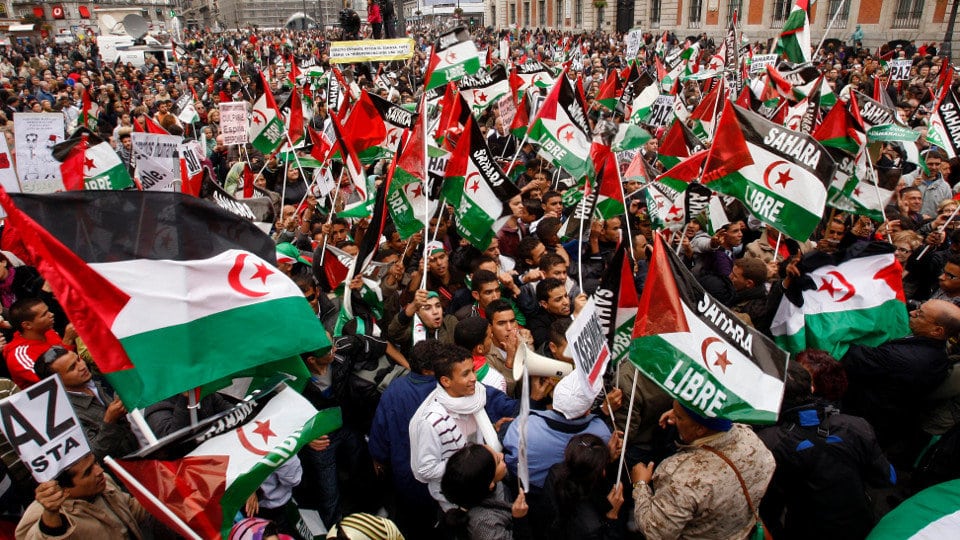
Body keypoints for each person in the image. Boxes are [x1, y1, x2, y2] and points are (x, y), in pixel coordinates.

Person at [757, 361, 895, 540]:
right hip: (860, 524)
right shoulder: (856, 426)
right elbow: (888, 478)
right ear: (812, 388)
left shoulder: (768, 442)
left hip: (804, 530)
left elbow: (767, 508)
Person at [629, 400, 776, 539]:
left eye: (679, 417)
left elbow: (656, 532)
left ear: (700, 428)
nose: (672, 418)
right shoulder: (752, 440)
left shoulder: (682, 477)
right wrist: (684, 415)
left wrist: (640, 485)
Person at [409, 344, 520, 510]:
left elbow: (474, 435)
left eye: (473, 370)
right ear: (446, 381)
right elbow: (426, 469)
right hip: (458, 500)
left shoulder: (476, 395)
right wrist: (471, 464)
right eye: (465, 374)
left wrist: (492, 428)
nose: (474, 378)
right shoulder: (432, 422)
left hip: (487, 485)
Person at [33, 346, 140, 460]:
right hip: (126, 466)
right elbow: (94, 455)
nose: (82, 366)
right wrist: (109, 421)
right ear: (57, 381)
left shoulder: (101, 380)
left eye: (78, 359)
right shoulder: (66, 415)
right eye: (72, 368)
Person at [16, 453, 153, 539]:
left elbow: (129, 510)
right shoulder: (44, 514)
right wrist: (51, 515)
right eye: (88, 472)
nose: (99, 471)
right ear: (64, 490)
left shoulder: (103, 482)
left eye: (95, 462)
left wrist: (162, 494)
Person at [543, 434, 626, 540]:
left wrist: (603, 458)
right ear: (601, 472)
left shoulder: (555, 473)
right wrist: (611, 516)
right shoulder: (591, 528)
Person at [441, 444, 529, 540]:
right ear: (490, 484)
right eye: (498, 461)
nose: (502, 455)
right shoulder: (484, 526)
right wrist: (519, 518)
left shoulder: (488, 480)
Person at [4, 298, 77, 389]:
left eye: (48, 311)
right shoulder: (19, 356)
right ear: (27, 325)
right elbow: (56, 380)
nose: (51, 315)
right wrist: (68, 341)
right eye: (44, 315)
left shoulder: (48, 331)